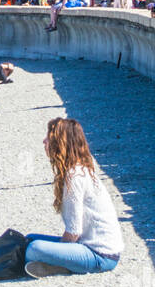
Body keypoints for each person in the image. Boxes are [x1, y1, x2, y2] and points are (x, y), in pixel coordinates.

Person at [23, 118, 123, 276]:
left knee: (33, 249)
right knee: (28, 239)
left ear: (60, 143)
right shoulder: (79, 169)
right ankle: (62, 266)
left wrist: (57, 253)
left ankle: (60, 265)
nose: (44, 141)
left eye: (49, 137)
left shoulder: (74, 176)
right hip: (89, 246)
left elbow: (74, 232)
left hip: (100, 255)